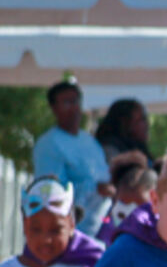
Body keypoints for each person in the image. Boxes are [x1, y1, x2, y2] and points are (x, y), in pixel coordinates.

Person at [32, 80, 111, 236]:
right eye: (67, 103)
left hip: (100, 227)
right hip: (70, 233)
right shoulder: (48, 144)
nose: (74, 108)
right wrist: (94, 189)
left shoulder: (90, 141)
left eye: (76, 101)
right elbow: (50, 192)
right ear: (54, 108)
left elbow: (104, 176)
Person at [95, 98, 150, 164]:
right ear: (125, 122)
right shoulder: (110, 149)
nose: (146, 124)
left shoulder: (138, 148)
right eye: (141, 119)